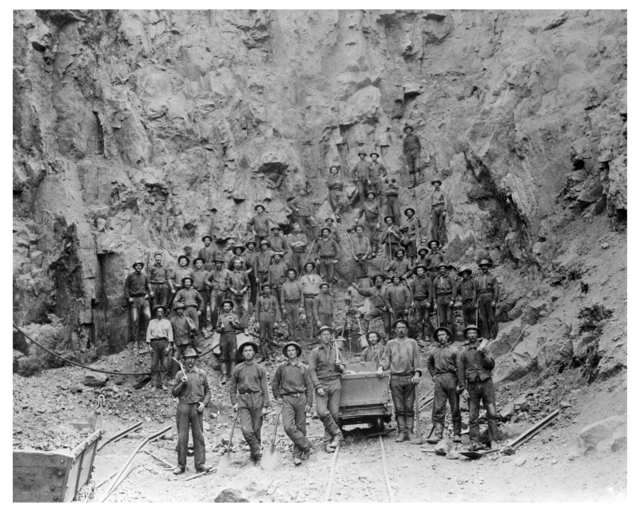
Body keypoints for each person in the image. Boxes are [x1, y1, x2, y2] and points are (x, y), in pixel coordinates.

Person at [377, 319, 422, 442]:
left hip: (409, 378)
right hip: (395, 378)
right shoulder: (390, 343)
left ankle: (410, 431)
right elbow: (385, 359)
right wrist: (381, 367)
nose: (401, 330)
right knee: (399, 407)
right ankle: (401, 432)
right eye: (399, 328)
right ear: (395, 330)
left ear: (406, 329)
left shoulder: (412, 343)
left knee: (409, 407)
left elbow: (417, 361)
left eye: (403, 327)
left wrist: (417, 374)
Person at [272, 341, 314, 465]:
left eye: (293, 350)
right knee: (288, 426)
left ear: (297, 352)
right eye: (288, 350)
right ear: (286, 353)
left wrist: (309, 403)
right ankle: (307, 445)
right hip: (287, 399)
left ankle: (297, 455)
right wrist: (278, 397)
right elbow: (274, 383)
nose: (291, 352)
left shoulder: (303, 368)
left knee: (300, 427)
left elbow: (309, 386)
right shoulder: (281, 367)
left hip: (301, 398)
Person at [457, 325, 498, 450]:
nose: (472, 335)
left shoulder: (485, 347)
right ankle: (475, 442)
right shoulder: (463, 352)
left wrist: (484, 355)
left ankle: (493, 440)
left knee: (492, 413)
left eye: (474, 333)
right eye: (469, 333)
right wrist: (463, 388)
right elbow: (460, 371)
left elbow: (491, 365)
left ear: (477, 334)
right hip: (472, 386)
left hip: (486, 384)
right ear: (466, 336)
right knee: (473, 416)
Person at [172, 347, 211, 475]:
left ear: (195, 360)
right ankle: (181, 465)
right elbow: (174, 393)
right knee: (182, 437)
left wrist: (204, 404)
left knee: (198, 437)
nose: (190, 361)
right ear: (183, 360)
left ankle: (200, 465)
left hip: (196, 408)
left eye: (192, 358)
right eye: (187, 359)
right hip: (183, 407)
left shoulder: (202, 374)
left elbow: (208, 391)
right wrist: (182, 384)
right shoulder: (179, 375)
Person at [230, 340, 270, 465]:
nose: (248, 353)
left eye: (250, 350)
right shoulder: (238, 368)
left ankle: (254, 457)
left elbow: (264, 387)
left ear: (254, 353)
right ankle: (258, 452)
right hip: (243, 400)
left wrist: (265, 405)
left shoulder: (259, 368)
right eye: (245, 351)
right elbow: (232, 387)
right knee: (247, 430)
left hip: (257, 398)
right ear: (242, 353)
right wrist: (234, 402)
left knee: (256, 429)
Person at [308, 326, 345, 452]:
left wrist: (340, 367)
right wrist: (317, 386)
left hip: (335, 383)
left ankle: (328, 442)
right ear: (320, 337)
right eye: (324, 334)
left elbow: (343, 368)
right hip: (322, 384)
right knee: (322, 412)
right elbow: (311, 370)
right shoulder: (315, 352)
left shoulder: (336, 351)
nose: (327, 337)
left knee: (333, 413)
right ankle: (337, 433)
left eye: (329, 334)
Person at [426, 327, 462, 444]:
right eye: (439, 335)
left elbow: (460, 366)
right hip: (439, 378)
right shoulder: (433, 350)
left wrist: (460, 383)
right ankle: (438, 434)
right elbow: (429, 363)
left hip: (452, 377)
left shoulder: (454, 350)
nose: (441, 337)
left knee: (455, 407)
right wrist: (433, 375)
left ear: (448, 337)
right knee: (439, 407)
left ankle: (457, 433)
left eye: (443, 335)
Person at [146, 305, 173, 391]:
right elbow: (148, 334)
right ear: (155, 313)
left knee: (164, 364)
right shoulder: (151, 322)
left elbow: (170, 335)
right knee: (154, 365)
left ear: (164, 313)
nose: (159, 313)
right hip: (154, 344)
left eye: (161, 312)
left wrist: (169, 346)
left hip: (164, 343)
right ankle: (154, 384)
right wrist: (149, 346)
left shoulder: (167, 322)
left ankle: (163, 384)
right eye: (158, 312)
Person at [124, 260, 151, 348]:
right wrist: (129, 297)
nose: (138, 267)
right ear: (134, 267)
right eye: (137, 266)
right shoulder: (130, 276)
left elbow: (148, 286)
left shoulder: (144, 276)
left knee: (148, 317)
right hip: (134, 300)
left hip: (144, 299)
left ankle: (148, 339)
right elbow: (126, 287)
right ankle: (136, 341)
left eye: (140, 266)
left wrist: (148, 293)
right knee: (135, 320)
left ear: (142, 267)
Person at [216, 300, 242, 384]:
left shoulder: (234, 316)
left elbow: (238, 327)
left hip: (232, 336)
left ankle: (233, 375)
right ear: (223, 308)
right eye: (225, 306)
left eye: (228, 306)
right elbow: (217, 329)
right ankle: (224, 375)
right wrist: (222, 328)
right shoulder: (220, 317)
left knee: (233, 356)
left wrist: (232, 322)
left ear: (231, 307)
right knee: (223, 356)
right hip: (223, 336)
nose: (226, 308)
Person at [170, 302, 197, 377]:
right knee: (175, 359)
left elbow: (195, 331)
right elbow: (170, 333)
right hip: (177, 343)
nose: (179, 311)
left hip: (187, 342)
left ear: (183, 310)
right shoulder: (172, 320)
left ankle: (189, 375)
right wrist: (173, 344)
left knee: (189, 359)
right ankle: (174, 377)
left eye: (181, 309)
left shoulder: (188, 319)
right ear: (175, 310)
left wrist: (193, 329)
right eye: (178, 309)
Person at [476, 259, 500, 339]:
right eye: (482, 266)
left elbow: (496, 289)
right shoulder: (478, 278)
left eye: (485, 266)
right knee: (483, 318)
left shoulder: (492, 277)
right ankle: (486, 337)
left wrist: (494, 300)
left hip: (489, 297)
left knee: (491, 318)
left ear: (488, 267)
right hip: (481, 297)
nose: (484, 267)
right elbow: (476, 290)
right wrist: (477, 300)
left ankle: (493, 336)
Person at [205, 257, 231, 331]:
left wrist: (228, 286)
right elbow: (206, 279)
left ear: (222, 264)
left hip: (224, 291)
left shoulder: (227, 271)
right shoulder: (212, 272)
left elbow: (231, 279)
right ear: (215, 264)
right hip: (214, 292)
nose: (218, 264)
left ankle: (224, 324)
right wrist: (210, 284)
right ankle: (214, 325)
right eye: (217, 263)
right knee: (213, 309)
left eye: (219, 263)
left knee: (223, 308)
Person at [256, 283, 280, 360]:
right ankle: (263, 354)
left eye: (268, 289)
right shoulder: (259, 299)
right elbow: (256, 310)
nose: (267, 290)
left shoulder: (274, 298)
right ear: (263, 290)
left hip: (271, 316)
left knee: (270, 336)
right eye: (265, 289)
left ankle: (271, 353)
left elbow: (277, 309)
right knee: (262, 336)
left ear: (270, 290)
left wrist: (276, 321)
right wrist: (256, 321)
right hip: (262, 316)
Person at [411, 264, 433, 342]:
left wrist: (429, 301)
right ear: (416, 272)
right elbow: (412, 292)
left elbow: (430, 291)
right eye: (418, 271)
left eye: (421, 270)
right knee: (417, 319)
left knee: (426, 318)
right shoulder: (414, 281)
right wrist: (412, 301)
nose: (419, 272)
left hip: (425, 300)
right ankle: (419, 336)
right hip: (417, 301)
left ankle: (427, 335)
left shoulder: (428, 280)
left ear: (423, 271)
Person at [300, 261, 322, 338]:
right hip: (307, 298)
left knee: (316, 315)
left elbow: (322, 287)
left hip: (316, 297)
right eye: (307, 267)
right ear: (305, 268)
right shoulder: (303, 278)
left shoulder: (318, 277)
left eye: (310, 266)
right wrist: (301, 303)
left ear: (312, 268)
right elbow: (301, 290)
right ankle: (310, 335)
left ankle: (317, 334)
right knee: (309, 316)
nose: (309, 268)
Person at [433, 262, 457, 330]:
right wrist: (435, 303)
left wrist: (452, 300)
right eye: (441, 269)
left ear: (446, 270)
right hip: (440, 299)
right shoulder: (436, 279)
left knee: (449, 319)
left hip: (448, 298)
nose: (442, 270)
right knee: (442, 319)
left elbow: (454, 289)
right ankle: (443, 336)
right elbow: (434, 292)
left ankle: (450, 337)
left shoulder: (450, 278)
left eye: (444, 269)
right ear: (439, 270)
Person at [227, 259, 250, 331]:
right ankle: (237, 327)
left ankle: (245, 327)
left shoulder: (244, 273)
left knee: (245, 310)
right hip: (234, 294)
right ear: (234, 265)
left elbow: (247, 284)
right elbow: (228, 284)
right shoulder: (230, 273)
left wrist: (243, 290)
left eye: (239, 263)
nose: (237, 265)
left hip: (243, 294)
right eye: (236, 263)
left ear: (241, 265)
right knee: (235, 310)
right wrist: (233, 290)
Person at [281, 268, 304, 340]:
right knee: (290, 322)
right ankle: (291, 337)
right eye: (290, 274)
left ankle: (296, 337)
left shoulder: (298, 284)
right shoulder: (284, 285)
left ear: (294, 275)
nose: (291, 275)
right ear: (288, 275)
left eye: (292, 274)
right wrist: (283, 307)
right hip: (288, 304)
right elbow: (282, 296)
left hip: (296, 304)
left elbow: (301, 295)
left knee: (296, 322)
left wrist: (301, 306)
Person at [191, 258, 210, 331]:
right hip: (194, 292)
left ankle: (203, 326)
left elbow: (209, 282)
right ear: (195, 264)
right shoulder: (192, 273)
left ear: (202, 264)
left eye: (200, 263)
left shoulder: (206, 272)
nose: (199, 264)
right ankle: (195, 325)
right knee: (195, 308)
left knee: (203, 309)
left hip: (203, 292)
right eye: (197, 263)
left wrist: (208, 286)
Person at [431, 176, 448, 245]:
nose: (435, 184)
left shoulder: (442, 192)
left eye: (437, 183)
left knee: (441, 226)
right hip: (434, 208)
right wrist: (430, 213)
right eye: (434, 183)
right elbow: (430, 202)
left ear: (439, 184)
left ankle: (441, 242)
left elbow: (446, 201)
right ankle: (435, 243)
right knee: (434, 226)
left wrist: (445, 210)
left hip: (441, 207)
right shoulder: (432, 193)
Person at [243, 240, 259, 307]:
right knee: (245, 287)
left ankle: (253, 303)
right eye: (250, 244)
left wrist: (256, 276)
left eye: (252, 244)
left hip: (253, 273)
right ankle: (245, 303)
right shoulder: (244, 254)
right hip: (246, 273)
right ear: (247, 246)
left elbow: (256, 265)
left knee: (254, 289)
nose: (251, 246)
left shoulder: (256, 254)